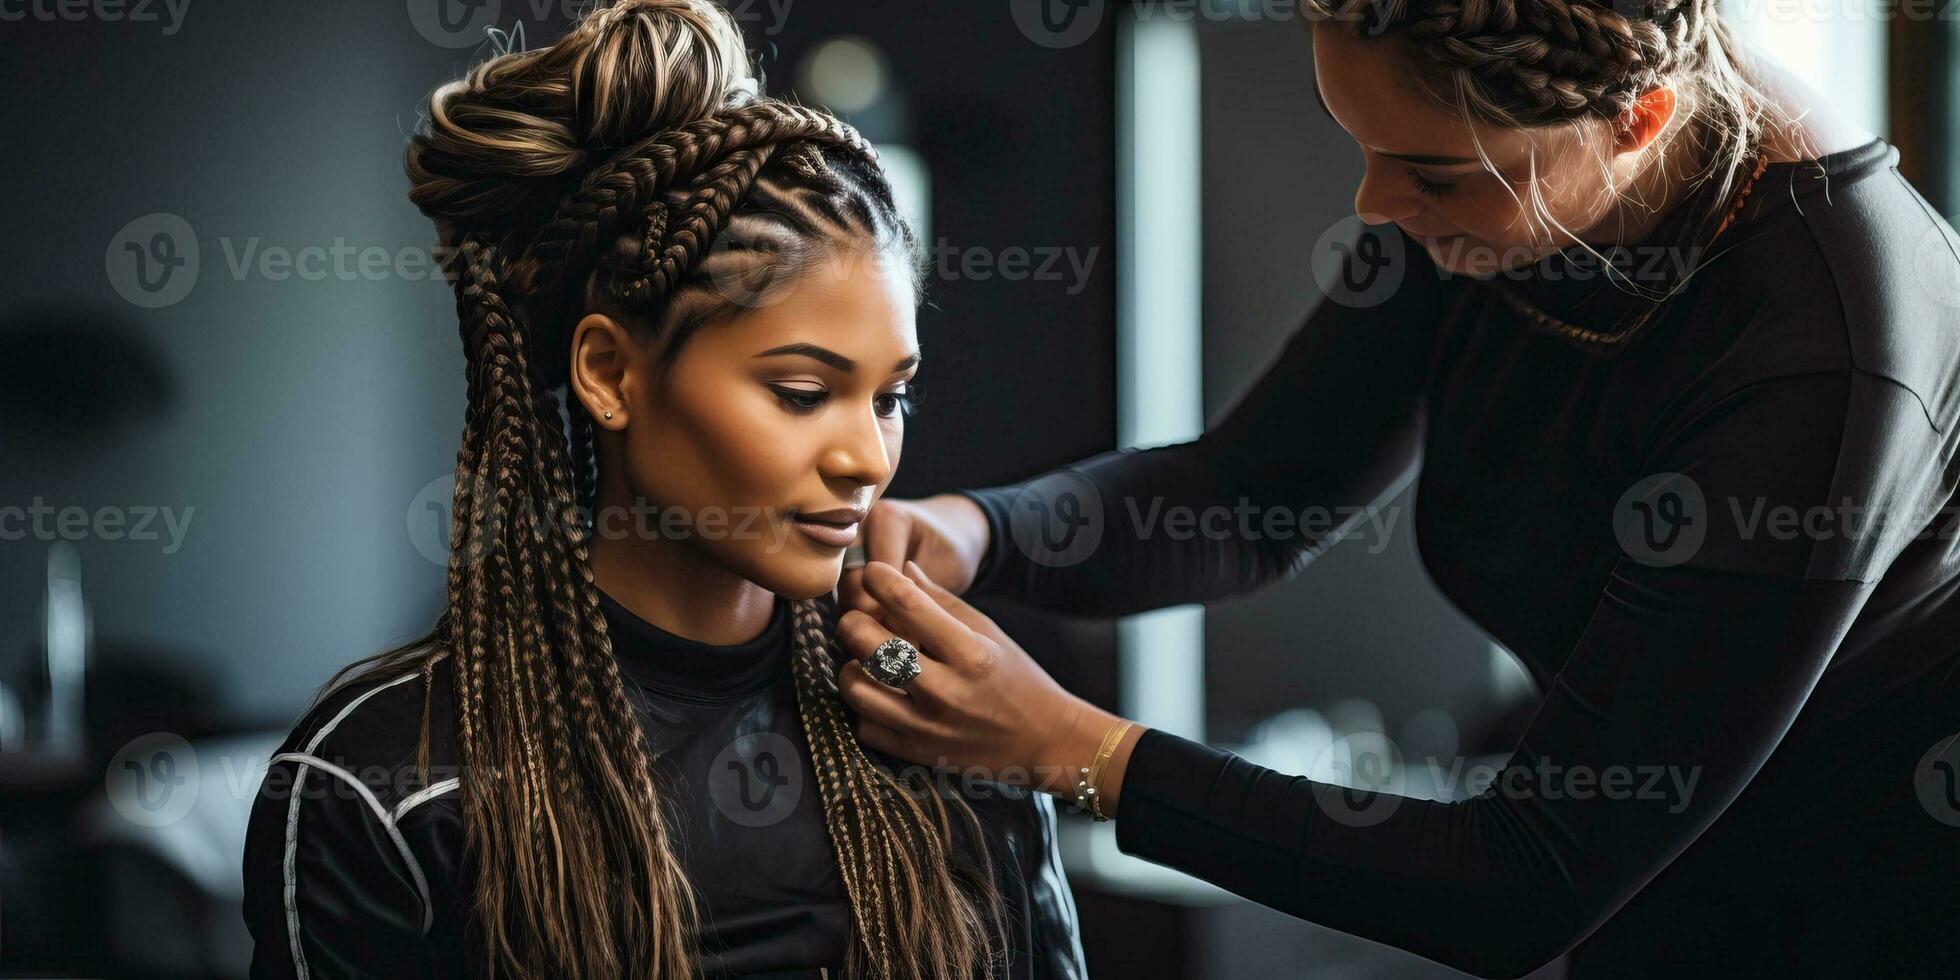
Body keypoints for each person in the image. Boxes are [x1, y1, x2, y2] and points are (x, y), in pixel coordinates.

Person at [835, 1, 1960, 976]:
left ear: (1638, 121)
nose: (1375, 205)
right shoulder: (1506, 184)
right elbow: (1245, 494)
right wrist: (977, 530)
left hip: (1856, 921)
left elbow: (1522, 882)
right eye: (1363, 145)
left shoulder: (1825, 352)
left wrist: (1075, 750)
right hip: (1645, 910)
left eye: (1431, 172)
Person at [239, 3, 1084, 977]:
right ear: (609, 373)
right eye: (802, 392)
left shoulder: (942, 717)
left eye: (890, 395)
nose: (867, 455)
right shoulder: (388, 783)